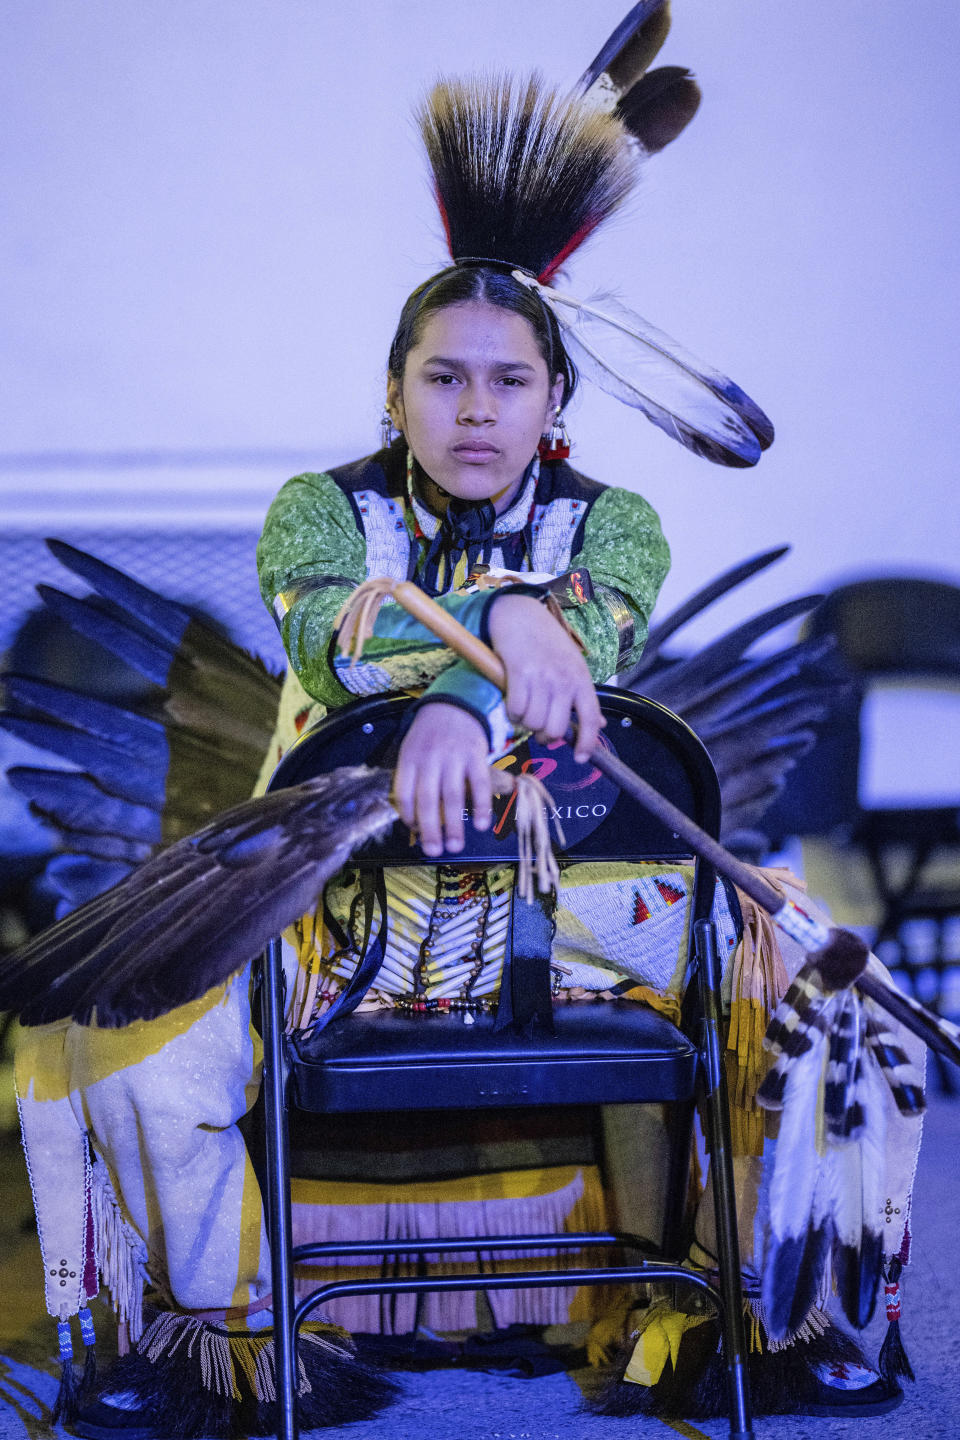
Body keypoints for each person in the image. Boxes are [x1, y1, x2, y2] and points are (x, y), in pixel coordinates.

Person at [10, 70, 919, 1440]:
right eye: (445, 378)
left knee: (834, 985)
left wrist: (498, 646)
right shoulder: (316, 514)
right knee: (110, 1048)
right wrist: (498, 638)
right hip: (340, 912)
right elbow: (336, 647)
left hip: (595, 911)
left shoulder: (618, 527)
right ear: (395, 393)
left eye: (510, 380)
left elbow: (591, 649)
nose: (476, 409)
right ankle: (220, 1337)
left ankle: (788, 1319)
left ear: (556, 398)